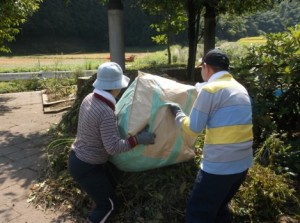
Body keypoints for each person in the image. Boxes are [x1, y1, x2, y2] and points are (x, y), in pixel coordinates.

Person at [169, 49, 253, 223]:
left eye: (201, 68)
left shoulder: (211, 90)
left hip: (219, 167)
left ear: (206, 67)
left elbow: (193, 129)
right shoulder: (240, 88)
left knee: (198, 213)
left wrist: (177, 113)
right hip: (242, 165)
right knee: (219, 207)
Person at [68, 62, 156, 223]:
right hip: (86, 166)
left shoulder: (90, 98)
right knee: (110, 206)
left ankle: (96, 201)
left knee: (112, 179)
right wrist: (138, 139)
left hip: (78, 158)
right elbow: (113, 147)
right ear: (115, 87)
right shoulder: (105, 111)